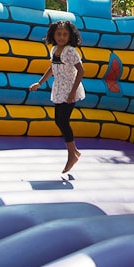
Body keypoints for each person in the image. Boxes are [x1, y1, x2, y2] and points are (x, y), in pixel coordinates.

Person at [29, 20, 86, 174]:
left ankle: (71, 155)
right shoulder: (54, 49)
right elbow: (52, 68)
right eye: (59, 34)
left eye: (65, 34)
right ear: (53, 35)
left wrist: (73, 91)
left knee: (63, 121)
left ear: (70, 36)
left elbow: (81, 70)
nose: (61, 37)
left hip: (70, 89)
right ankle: (74, 151)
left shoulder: (70, 51)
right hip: (59, 89)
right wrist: (40, 82)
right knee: (58, 120)